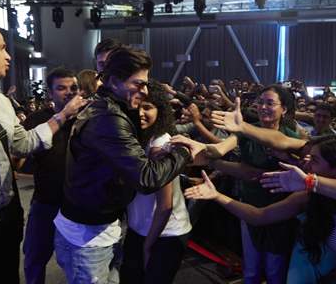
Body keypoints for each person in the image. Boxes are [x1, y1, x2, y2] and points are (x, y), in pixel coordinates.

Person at [53, 45, 204, 284]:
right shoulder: (108, 120)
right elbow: (146, 178)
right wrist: (185, 152)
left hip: (100, 228)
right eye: (138, 84)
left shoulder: (111, 110)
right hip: (87, 235)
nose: (144, 91)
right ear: (113, 81)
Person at [187, 135, 336, 283]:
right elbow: (259, 217)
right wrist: (217, 196)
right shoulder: (311, 197)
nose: (306, 164)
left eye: (315, 160)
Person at [0, 19, 85, 283]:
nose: (9, 55)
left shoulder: (0, 101)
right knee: (35, 259)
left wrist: (63, 117)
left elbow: (23, 144)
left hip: (6, 217)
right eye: (0, 48)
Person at [174, 84, 300, 284]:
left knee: (275, 269)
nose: (264, 107)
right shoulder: (246, 132)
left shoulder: (291, 137)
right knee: (251, 269)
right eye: (261, 102)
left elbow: (257, 171)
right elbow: (221, 148)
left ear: (284, 109)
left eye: (270, 103)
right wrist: (203, 149)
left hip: (279, 211)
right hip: (247, 205)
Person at [121, 80, 192, 284]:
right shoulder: (136, 139)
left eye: (148, 107)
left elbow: (165, 205)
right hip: (140, 229)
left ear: (160, 110)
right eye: (136, 106)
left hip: (164, 234)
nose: (141, 112)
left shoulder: (160, 142)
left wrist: (147, 245)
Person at [21, 67, 79, 284]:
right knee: (35, 257)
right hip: (45, 201)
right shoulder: (38, 119)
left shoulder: (86, 118)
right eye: (61, 88)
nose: (69, 92)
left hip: (76, 204)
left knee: (77, 262)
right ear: (50, 92)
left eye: (73, 87)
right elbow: (23, 150)